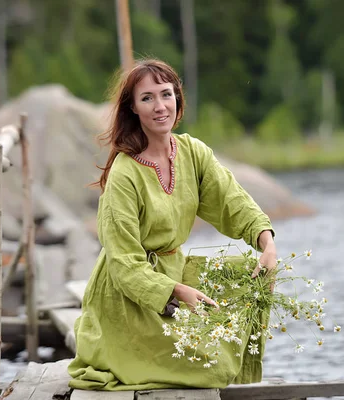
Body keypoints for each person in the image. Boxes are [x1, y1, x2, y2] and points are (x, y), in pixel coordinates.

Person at [68, 58, 277, 391]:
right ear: (133, 108)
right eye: (147, 98)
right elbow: (124, 265)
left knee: (250, 276)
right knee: (212, 366)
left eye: (166, 94)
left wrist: (266, 242)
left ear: (177, 99)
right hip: (129, 297)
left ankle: (242, 375)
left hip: (175, 270)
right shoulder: (124, 174)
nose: (159, 106)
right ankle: (125, 352)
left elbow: (231, 200)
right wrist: (175, 292)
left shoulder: (193, 152)